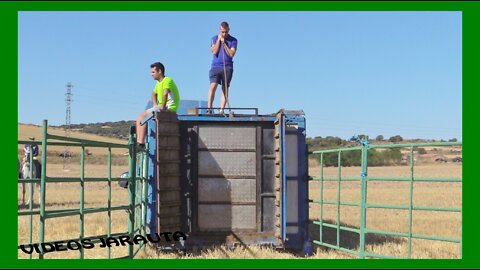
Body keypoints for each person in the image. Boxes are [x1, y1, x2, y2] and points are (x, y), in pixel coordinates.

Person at [136, 62, 180, 147]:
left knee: (143, 117)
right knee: (140, 117)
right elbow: (153, 94)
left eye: (153, 72)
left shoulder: (167, 80)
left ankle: (141, 143)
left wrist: (162, 107)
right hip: (160, 106)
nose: (151, 74)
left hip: (169, 108)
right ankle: (139, 141)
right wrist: (155, 105)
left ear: (159, 71)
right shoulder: (158, 83)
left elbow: (165, 93)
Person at [207, 21, 238, 114]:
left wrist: (224, 44)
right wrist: (219, 41)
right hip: (215, 66)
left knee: (225, 88)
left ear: (228, 30)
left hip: (227, 67)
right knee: (213, 86)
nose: (224, 34)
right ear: (219, 30)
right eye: (222, 32)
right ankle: (209, 108)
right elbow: (214, 51)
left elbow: (231, 54)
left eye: (226, 32)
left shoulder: (233, 40)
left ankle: (221, 109)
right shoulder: (214, 38)